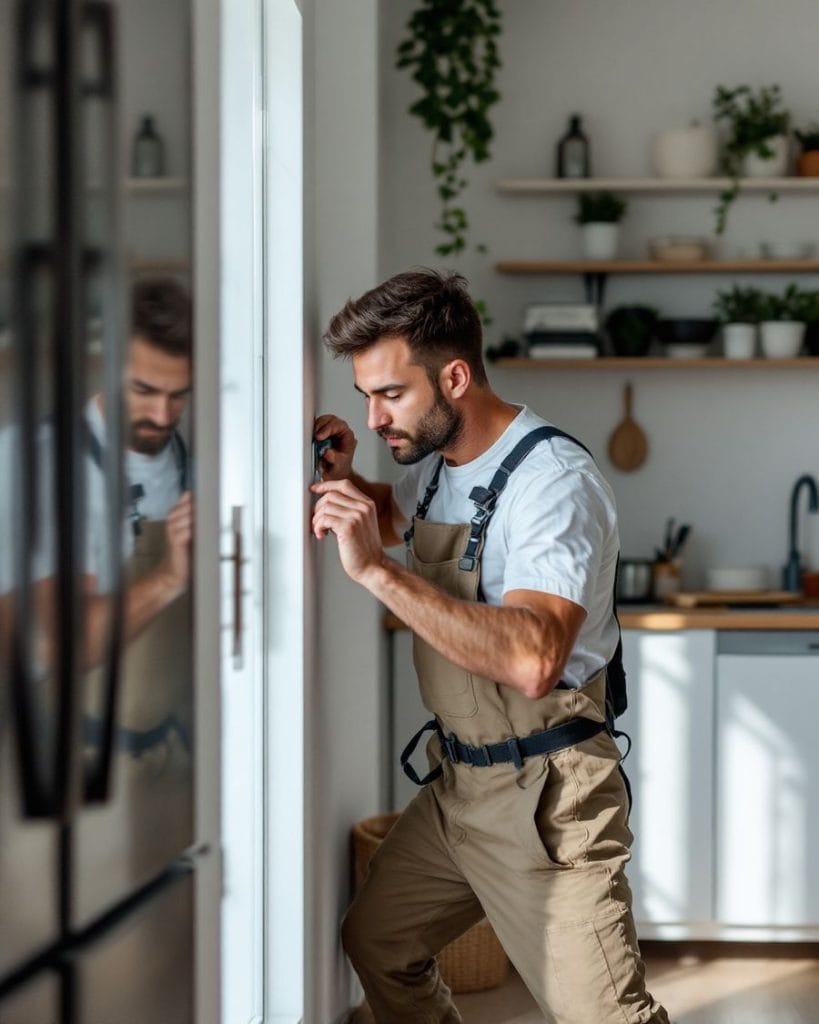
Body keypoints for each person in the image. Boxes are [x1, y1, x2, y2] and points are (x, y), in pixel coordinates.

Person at [311, 269, 670, 1024]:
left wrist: (374, 572)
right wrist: (350, 481)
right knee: (376, 941)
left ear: (453, 376)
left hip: (549, 799)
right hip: (459, 790)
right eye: (365, 395)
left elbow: (535, 658)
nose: (373, 416)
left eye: (390, 394)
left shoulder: (551, 482)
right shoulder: (439, 464)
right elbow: (396, 516)